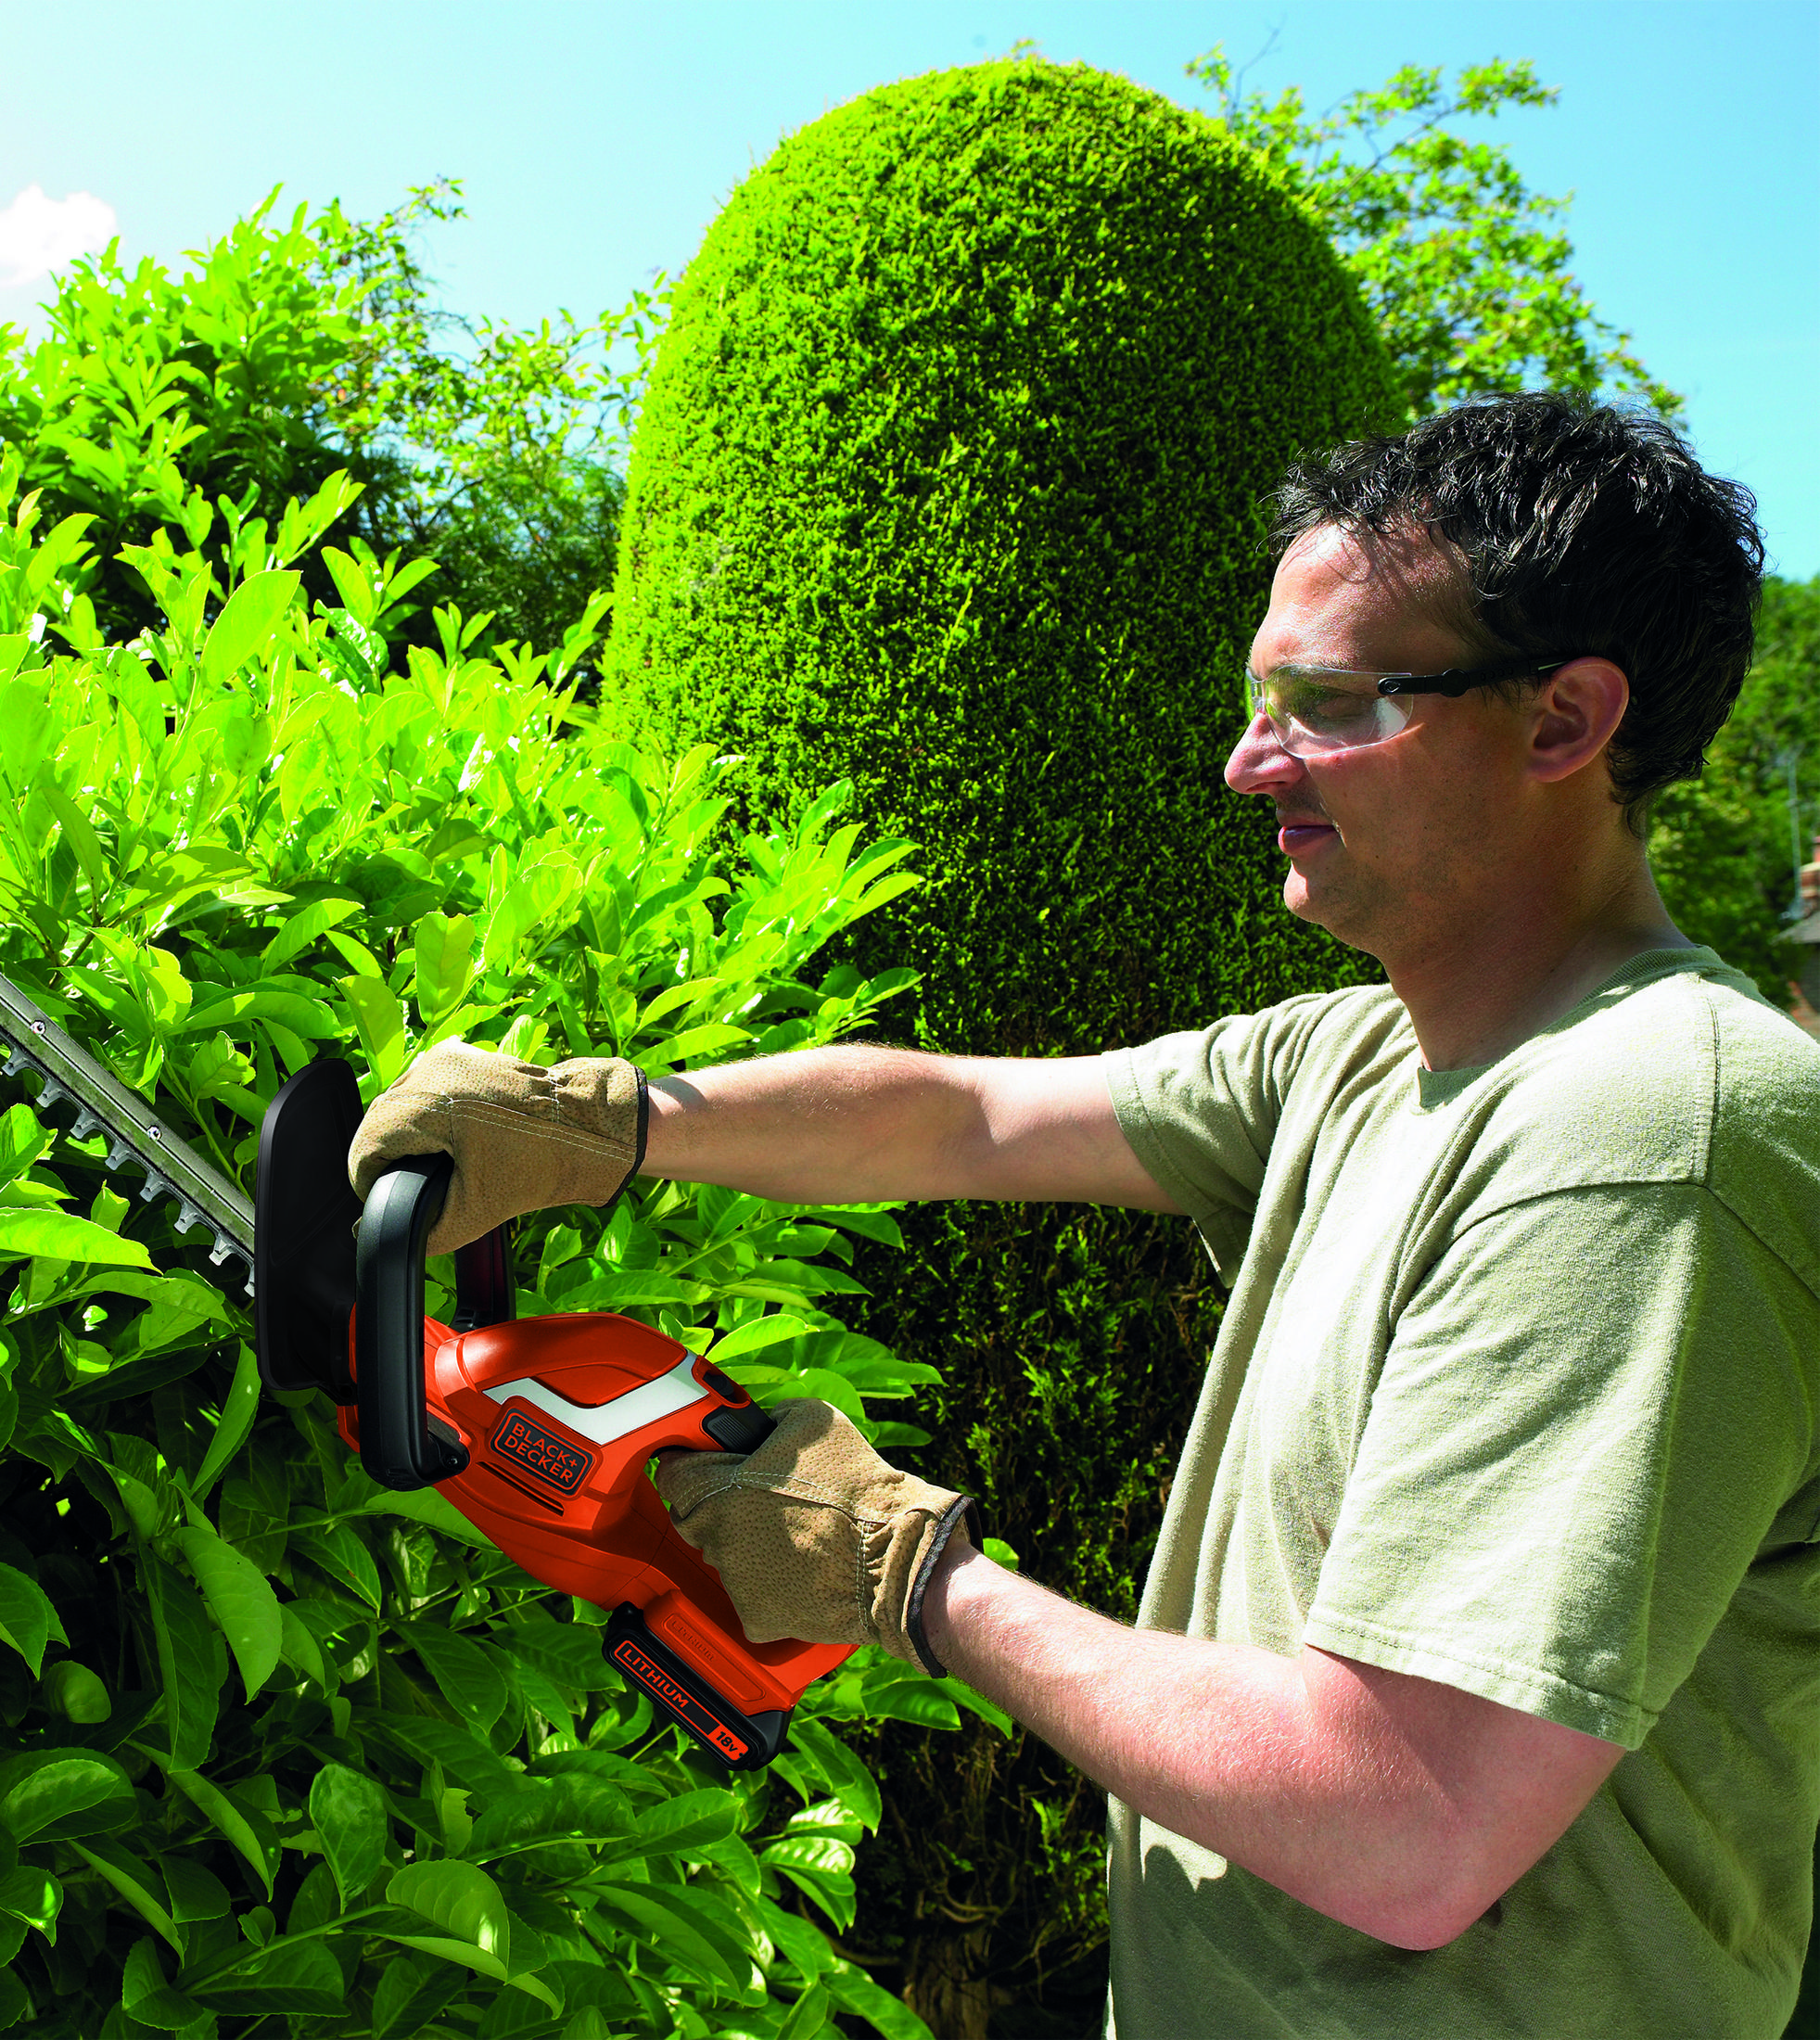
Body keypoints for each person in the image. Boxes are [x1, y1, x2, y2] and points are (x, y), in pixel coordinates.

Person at [349, 393, 1819, 2037]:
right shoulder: (1364, 1052)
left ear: (1563, 722)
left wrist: (901, 1575)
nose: (1247, 761)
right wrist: (604, 1122)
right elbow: (967, 1114)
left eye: (1327, 705)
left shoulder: (1638, 1142)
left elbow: (1409, 1820)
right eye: (1261, 699)